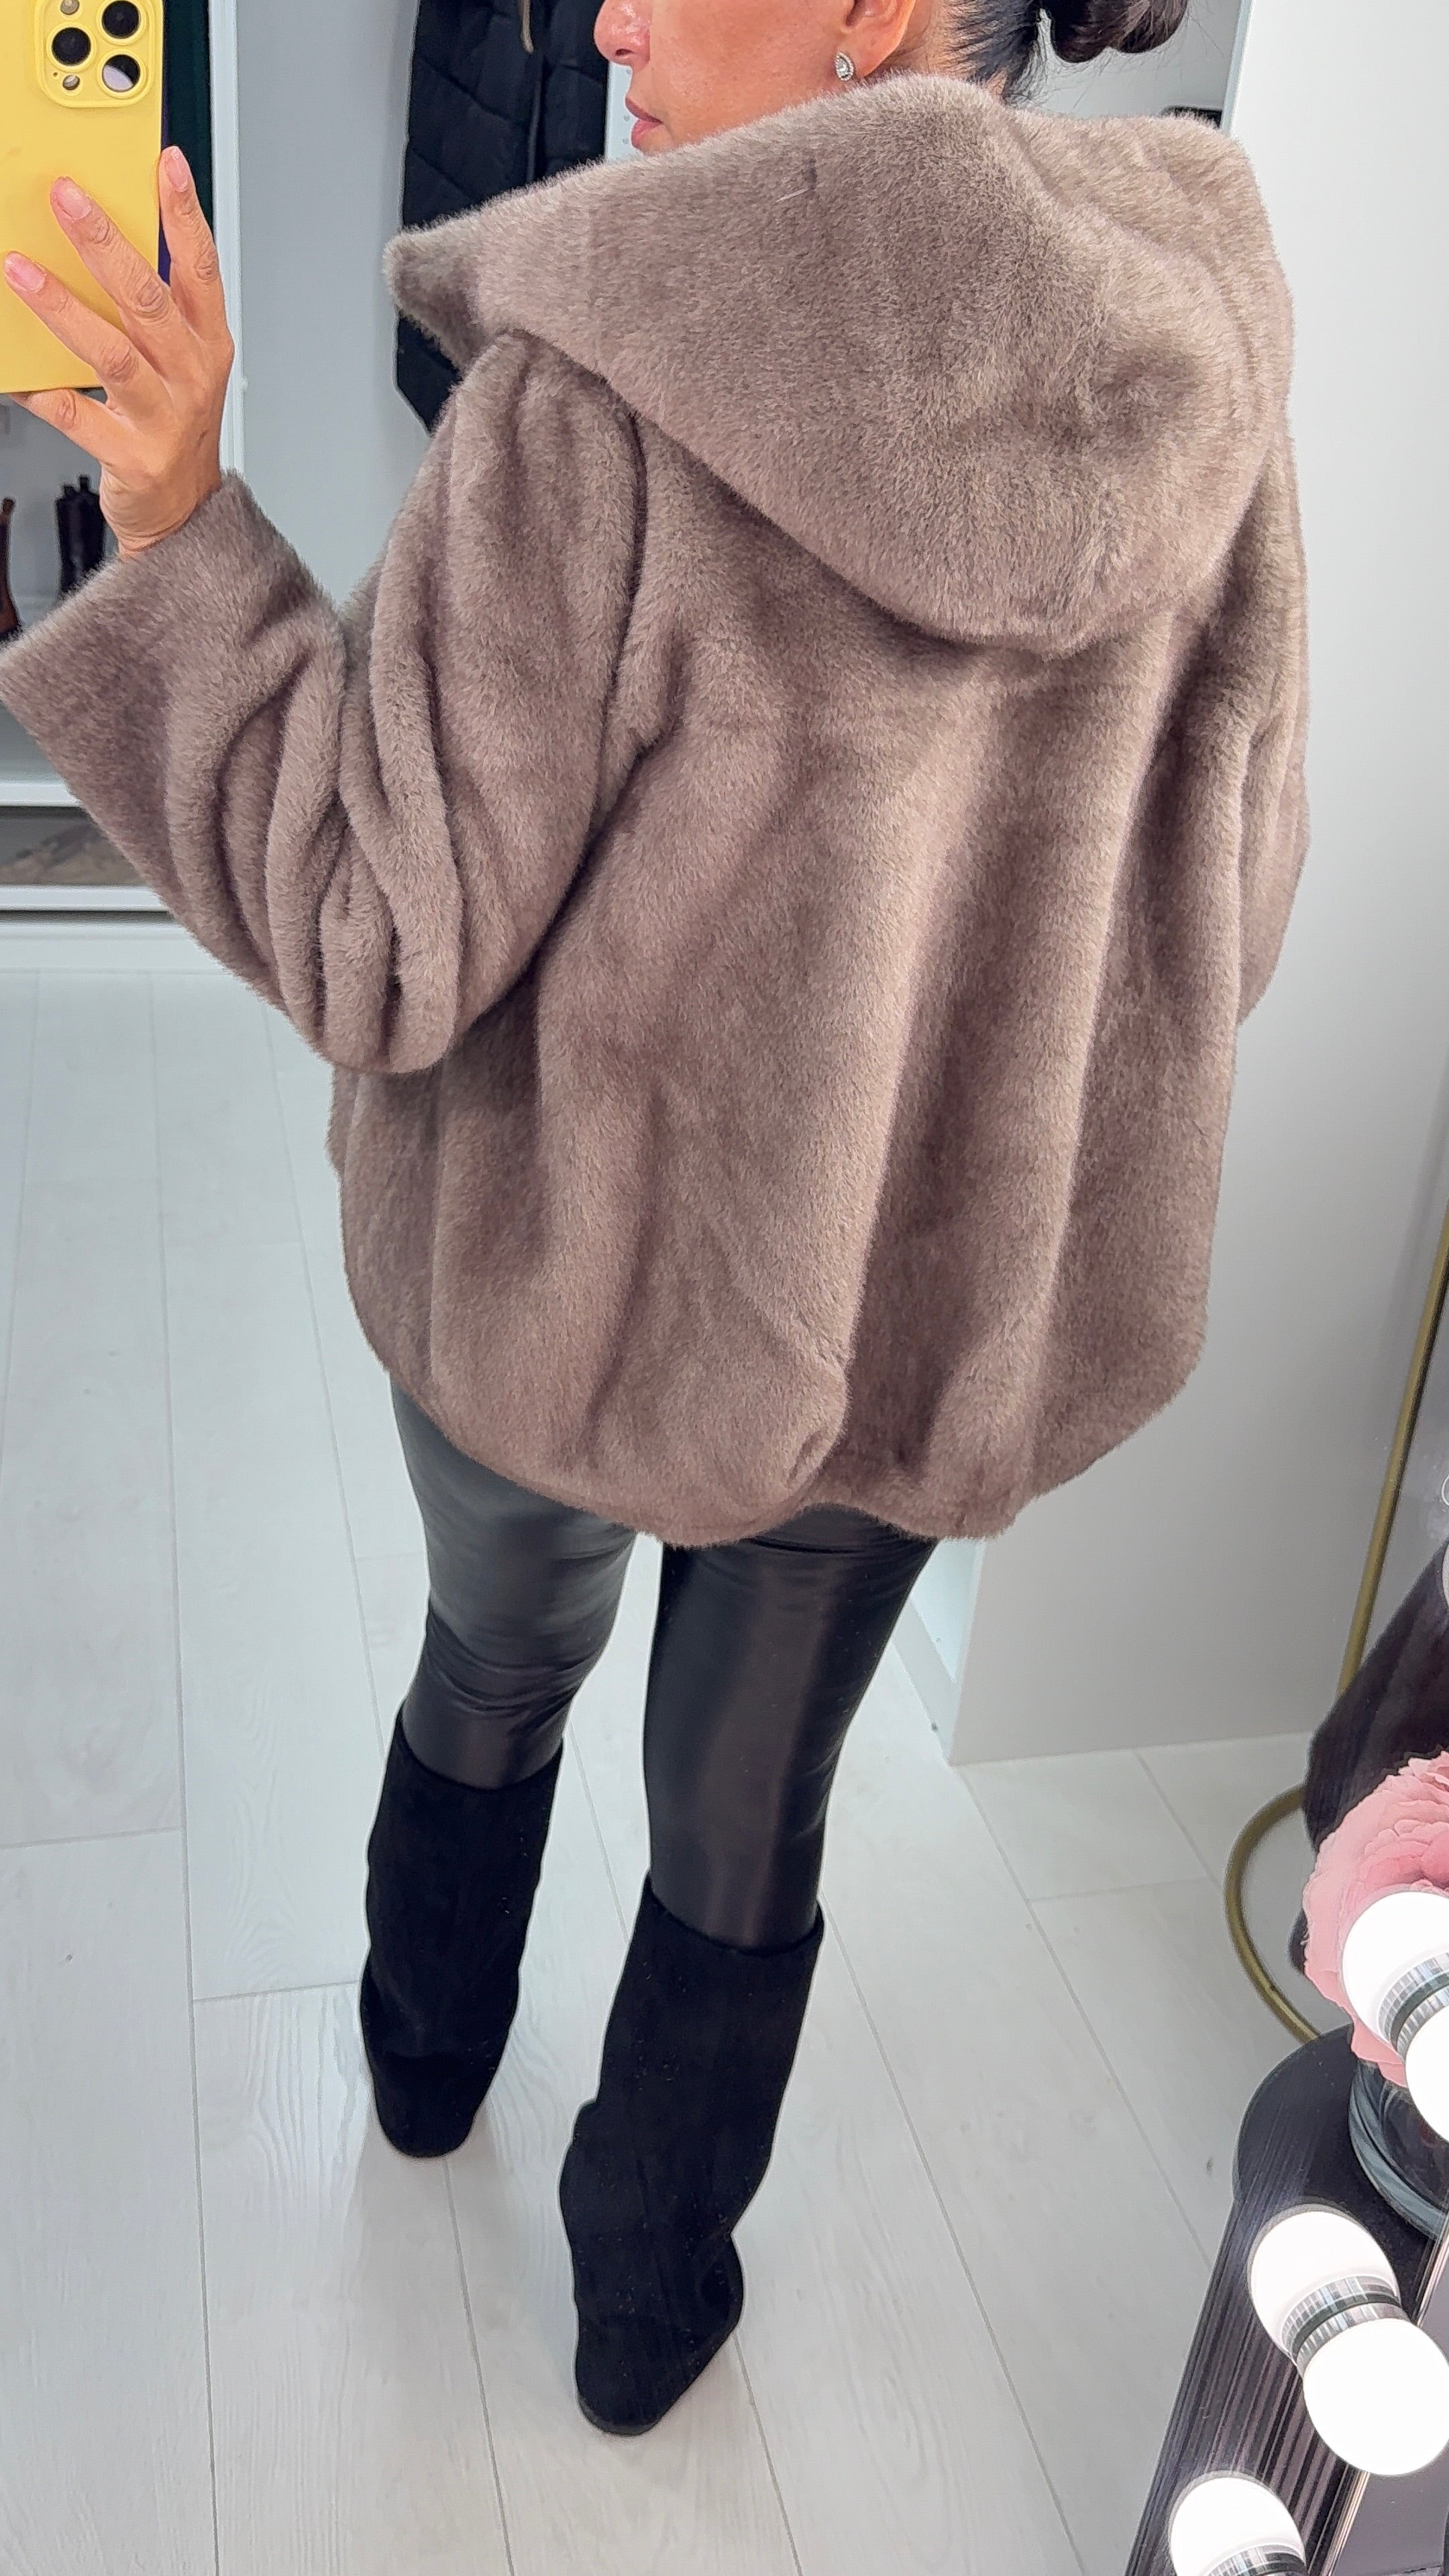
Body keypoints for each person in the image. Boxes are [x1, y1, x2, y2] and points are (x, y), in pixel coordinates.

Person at [0, 0, 1307, 2438]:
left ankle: (419, 2068)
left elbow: (377, 931)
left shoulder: (602, 384)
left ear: (876, 9)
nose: (597, 9)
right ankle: (641, 2306)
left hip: (560, 1289)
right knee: (746, 1816)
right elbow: (1223, 898)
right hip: (910, 1320)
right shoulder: (1198, 339)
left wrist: (179, 531)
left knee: (495, 1670)